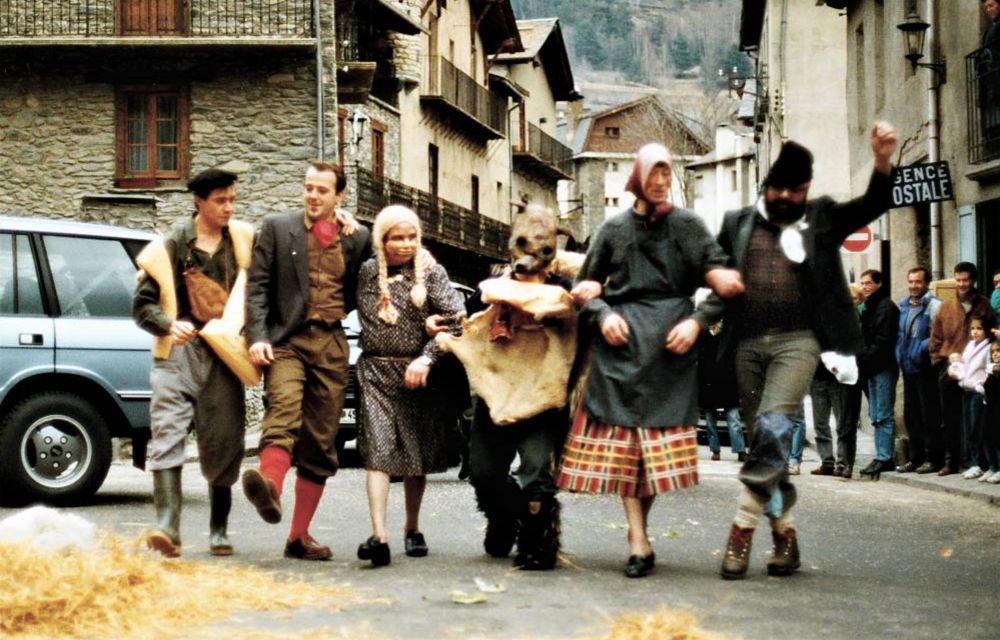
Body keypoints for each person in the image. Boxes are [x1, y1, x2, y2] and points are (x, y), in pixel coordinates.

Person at [714, 123, 897, 580]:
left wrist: (881, 161)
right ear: (766, 186)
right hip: (746, 344)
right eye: (778, 188)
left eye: (794, 190)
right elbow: (710, 267)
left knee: (775, 428)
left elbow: (872, 205)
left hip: (798, 341)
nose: (785, 197)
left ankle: (741, 530)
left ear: (807, 189)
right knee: (766, 445)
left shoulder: (822, 217)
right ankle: (786, 538)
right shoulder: (737, 223)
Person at [559, 142, 742, 578]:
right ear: (638, 177)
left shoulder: (689, 226)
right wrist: (603, 315)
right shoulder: (613, 229)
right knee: (627, 450)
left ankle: (641, 530)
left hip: (670, 351)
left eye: (666, 172)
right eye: (653, 173)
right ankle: (637, 537)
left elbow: (722, 281)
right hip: (621, 349)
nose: (661, 181)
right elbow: (584, 288)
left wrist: (697, 322)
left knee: (653, 455)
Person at [242, 162, 371, 560]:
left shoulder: (357, 237)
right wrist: (257, 337)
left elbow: (369, 281)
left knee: (321, 439)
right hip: (288, 340)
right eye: (308, 188)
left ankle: (298, 537)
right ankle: (270, 487)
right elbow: (257, 287)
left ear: (339, 196)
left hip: (331, 341)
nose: (313, 195)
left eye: (322, 190)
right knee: (282, 410)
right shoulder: (277, 228)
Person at [132, 168, 253, 558]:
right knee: (167, 434)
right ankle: (168, 527)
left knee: (224, 439)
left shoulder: (244, 241)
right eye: (221, 201)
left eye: (232, 200)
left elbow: (288, 249)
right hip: (177, 353)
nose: (229, 208)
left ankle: (219, 529)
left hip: (225, 352)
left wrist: (338, 220)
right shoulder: (168, 247)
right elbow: (142, 305)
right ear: (199, 202)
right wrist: (169, 324)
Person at [353, 205, 464, 567]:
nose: (406, 244)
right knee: (378, 451)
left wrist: (428, 356)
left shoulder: (431, 271)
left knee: (414, 455)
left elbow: (457, 321)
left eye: (412, 236)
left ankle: (412, 528)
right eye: (397, 237)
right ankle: (379, 536)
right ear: (381, 240)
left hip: (417, 373)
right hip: (375, 371)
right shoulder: (367, 272)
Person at [930, 262, 991, 475]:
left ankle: (979, 461)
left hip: (977, 371)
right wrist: (942, 361)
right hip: (951, 369)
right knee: (950, 418)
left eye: (966, 280)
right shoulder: (946, 307)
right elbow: (935, 339)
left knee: (978, 418)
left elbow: (992, 335)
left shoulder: (984, 305)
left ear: (973, 280)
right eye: (958, 280)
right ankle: (952, 461)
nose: (962, 284)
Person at [895, 267, 943, 473]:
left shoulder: (935, 305)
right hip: (908, 367)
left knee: (929, 414)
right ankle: (915, 458)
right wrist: (899, 354)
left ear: (927, 283)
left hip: (925, 366)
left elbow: (937, 336)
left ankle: (933, 459)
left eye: (918, 282)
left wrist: (919, 350)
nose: (913, 286)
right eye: (911, 281)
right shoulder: (903, 305)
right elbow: (900, 334)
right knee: (911, 414)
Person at [857, 269, 901, 479]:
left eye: (868, 283)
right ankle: (881, 455)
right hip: (871, 368)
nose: (864, 287)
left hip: (882, 366)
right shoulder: (870, 306)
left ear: (878, 284)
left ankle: (885, 457)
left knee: (882, 414)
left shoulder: (885, 307)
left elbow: (882, 340)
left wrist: (863, 357)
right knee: (875, 415)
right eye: (862, 283)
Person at [947, 314, 994, 480]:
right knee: (969, 427)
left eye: (979, 329)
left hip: (978, 391)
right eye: (972, 328)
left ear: (986, 330)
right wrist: (955, 369)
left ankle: (982, 463)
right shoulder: (970, 346)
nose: (975, 332)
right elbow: (963, 365)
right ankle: (975, 463)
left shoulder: (988, 347)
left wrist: (981, 384)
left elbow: (989, 368)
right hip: (966, 389)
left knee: (977, 428)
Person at [697, 322, 747, 462]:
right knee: (710, 421)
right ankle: (715, 450)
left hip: (728, 384)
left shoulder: (729, 337)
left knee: (734, 419)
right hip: (708, 385)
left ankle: (740, 450)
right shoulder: (703, 337)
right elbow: (700, 363)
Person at [981, 341, 1000, 483]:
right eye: (993, 352)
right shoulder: (990, 369)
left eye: (998, 351)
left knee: (998, 437)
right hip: (990, 407)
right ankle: (993, 467)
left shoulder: (995, 370)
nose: (995, 354)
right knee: (987, 436)